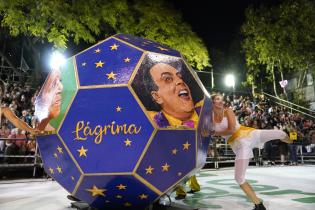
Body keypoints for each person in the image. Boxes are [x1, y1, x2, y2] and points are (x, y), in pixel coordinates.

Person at [211, 93, 291, 210]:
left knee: (280, 133)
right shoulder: (209, 118)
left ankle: (291, 141)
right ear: (212, 102)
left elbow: (231, 129)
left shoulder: (228, 111)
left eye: (221, 99)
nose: (221, 101)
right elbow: (199, 127)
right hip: (240, 146)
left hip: (248, 135)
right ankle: (259, 205)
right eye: (218, 99)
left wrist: (213, 133)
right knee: (239, 178)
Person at [141, 59, 202, 200]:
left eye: (179, 76)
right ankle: (181, 190)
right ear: (156, 96)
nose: (180, 81)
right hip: (172, 149)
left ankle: (192, 186)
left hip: (190, 149)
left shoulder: (201, 110)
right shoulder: (153, 118)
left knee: (188, 165)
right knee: (177, 166)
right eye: (167, 79)